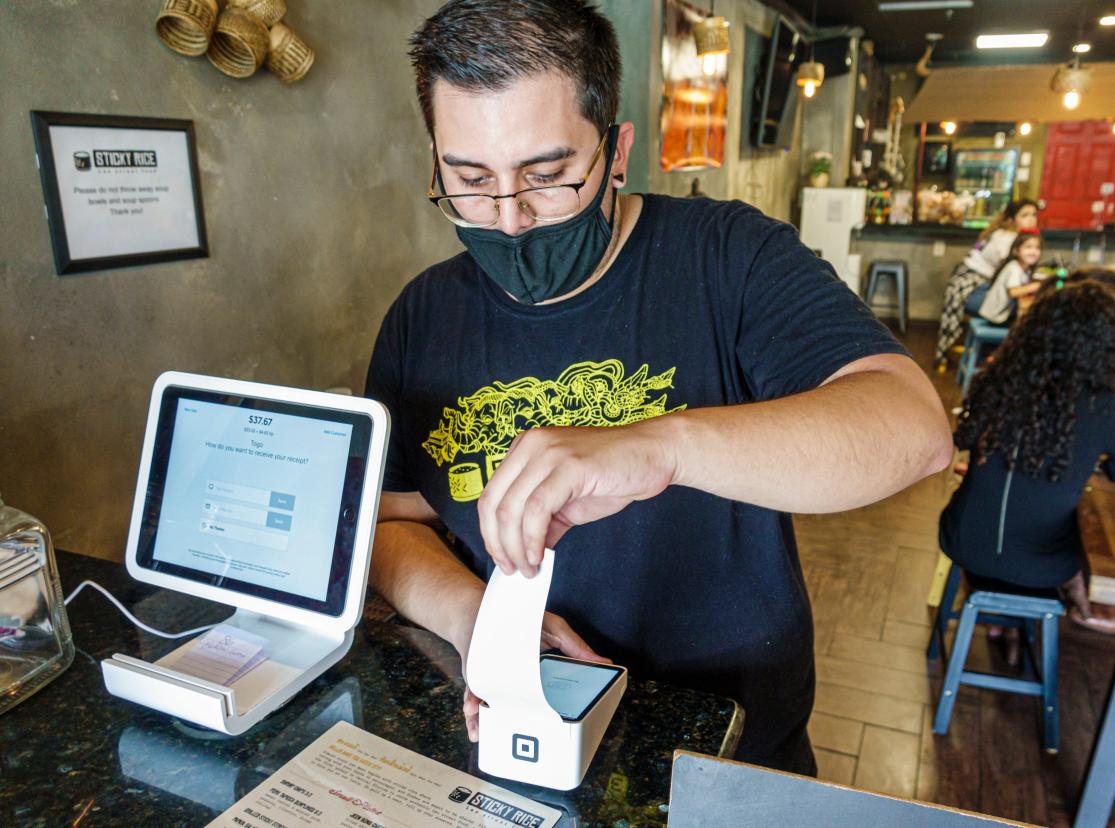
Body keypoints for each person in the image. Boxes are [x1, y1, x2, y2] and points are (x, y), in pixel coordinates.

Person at [363, 0, 952, 776]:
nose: (507, 221)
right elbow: (391, 518)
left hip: (728, 744)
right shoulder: (422, 315)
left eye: (547, 177)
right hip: (520, 733)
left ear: (616, 152)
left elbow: (913, 428)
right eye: (470, 181)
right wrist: (471, 618)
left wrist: (660, 445)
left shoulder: (728, 259)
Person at [940, 281, 1115, 649]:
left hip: (960, 539)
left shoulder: (994, 382)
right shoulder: (1098, 405)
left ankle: (1009, 617)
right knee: (1104, 530)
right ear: (1103, 346)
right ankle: (1073, 598)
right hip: (1035, 565)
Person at [934, 199, 1039, 367]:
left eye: (1034, 215)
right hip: (971, 289)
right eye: (1025, 215)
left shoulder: (1008, 235)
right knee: (1014, 313)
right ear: (1011, 220)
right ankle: (993, 359)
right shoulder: (1007, 238)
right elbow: (1012, 277)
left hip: (971, 285)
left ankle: (989, 356)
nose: (1031, 219)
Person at [973, 230, 1043, 326]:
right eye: (1028, 247)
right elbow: (1013, 292)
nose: (1033, 252)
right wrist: (1037, 286)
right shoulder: (1014, 267)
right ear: (1016, 251)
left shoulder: (1025, 269)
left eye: (1037, 248)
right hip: (998, 317)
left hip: (1001, 314)